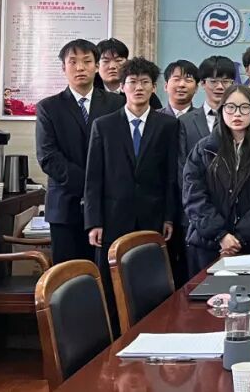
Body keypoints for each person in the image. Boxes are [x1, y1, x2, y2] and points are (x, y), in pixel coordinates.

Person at [84, 57, 178, 325]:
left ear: (154, 88)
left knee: (150, 283)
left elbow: (171, 176)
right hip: (112, 218)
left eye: (145, 82)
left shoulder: (168, 125)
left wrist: (169, 216)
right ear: (122, 86)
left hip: (152, 217)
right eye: (133, 82)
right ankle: (115, 338)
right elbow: (93, 178)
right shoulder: (103, 125)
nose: (139, 87)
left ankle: (152, 332)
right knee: (111, 285)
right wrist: (94, 222)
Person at [35, 39, 125, 264]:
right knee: (69, 274)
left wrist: (99, 191)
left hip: (107, 208)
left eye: (87, 61)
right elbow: (48, 157)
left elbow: (121, 153)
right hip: (65, 207)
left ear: (96, 66)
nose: (80, 68)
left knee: (106, 274)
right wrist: (89, 185)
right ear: (63, 68)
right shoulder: (49, 107)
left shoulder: (116, 104)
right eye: (73, 62)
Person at [183, 85, 250, 273]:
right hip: (208, 245)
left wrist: (239, 239)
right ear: (221, 110)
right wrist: (221, 235)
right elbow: (193, 197)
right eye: (230, 107)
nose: (237, 114)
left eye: (244, 107)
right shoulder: (204, 149)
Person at [175, 55, 236, 283]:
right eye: (213, 81)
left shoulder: (245, 120)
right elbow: (183, 172)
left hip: (234, 222)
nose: (220, 86)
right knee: (199, 286)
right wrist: (205, 215)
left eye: (226, 81)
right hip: (197, 220)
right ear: (202, 84)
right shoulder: (185, 122)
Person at [95, 37, 162, 109]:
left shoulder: (142, 92)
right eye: (105, 61)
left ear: (127, 63)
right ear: (97, 65)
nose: (112, 66)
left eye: (118, 60)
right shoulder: (90, 90)